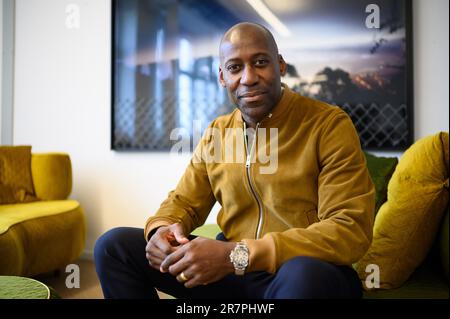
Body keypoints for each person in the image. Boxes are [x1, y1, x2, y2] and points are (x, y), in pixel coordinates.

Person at [94, 22, 375, 299]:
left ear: (280, 66)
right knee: (113, 246)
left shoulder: (328, 125)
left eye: (260, 62)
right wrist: (162, 230)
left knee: (305, 275)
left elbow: (348, 230)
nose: (248, 77)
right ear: (222, 77)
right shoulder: (218, 131)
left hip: (303, 272)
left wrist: (237, 255)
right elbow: (184, 201)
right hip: (231, 275)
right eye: (235, 67)